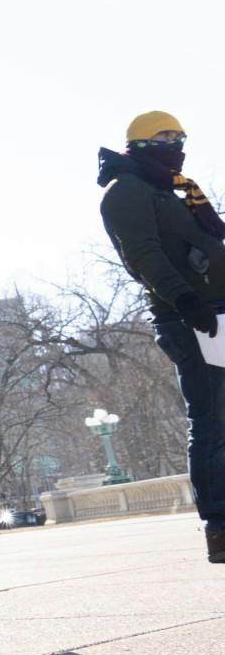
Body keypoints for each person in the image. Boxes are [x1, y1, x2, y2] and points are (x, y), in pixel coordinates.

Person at [97, 111, 225, 562]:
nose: (177, 144)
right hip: (191, 319)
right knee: (212, 421)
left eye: (181, 136)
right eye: (166, 137)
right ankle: (221, 523)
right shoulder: (127, 191)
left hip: (217, 313)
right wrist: (186, 301)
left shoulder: (171, 189)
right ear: (140, 144)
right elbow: (142, 253)